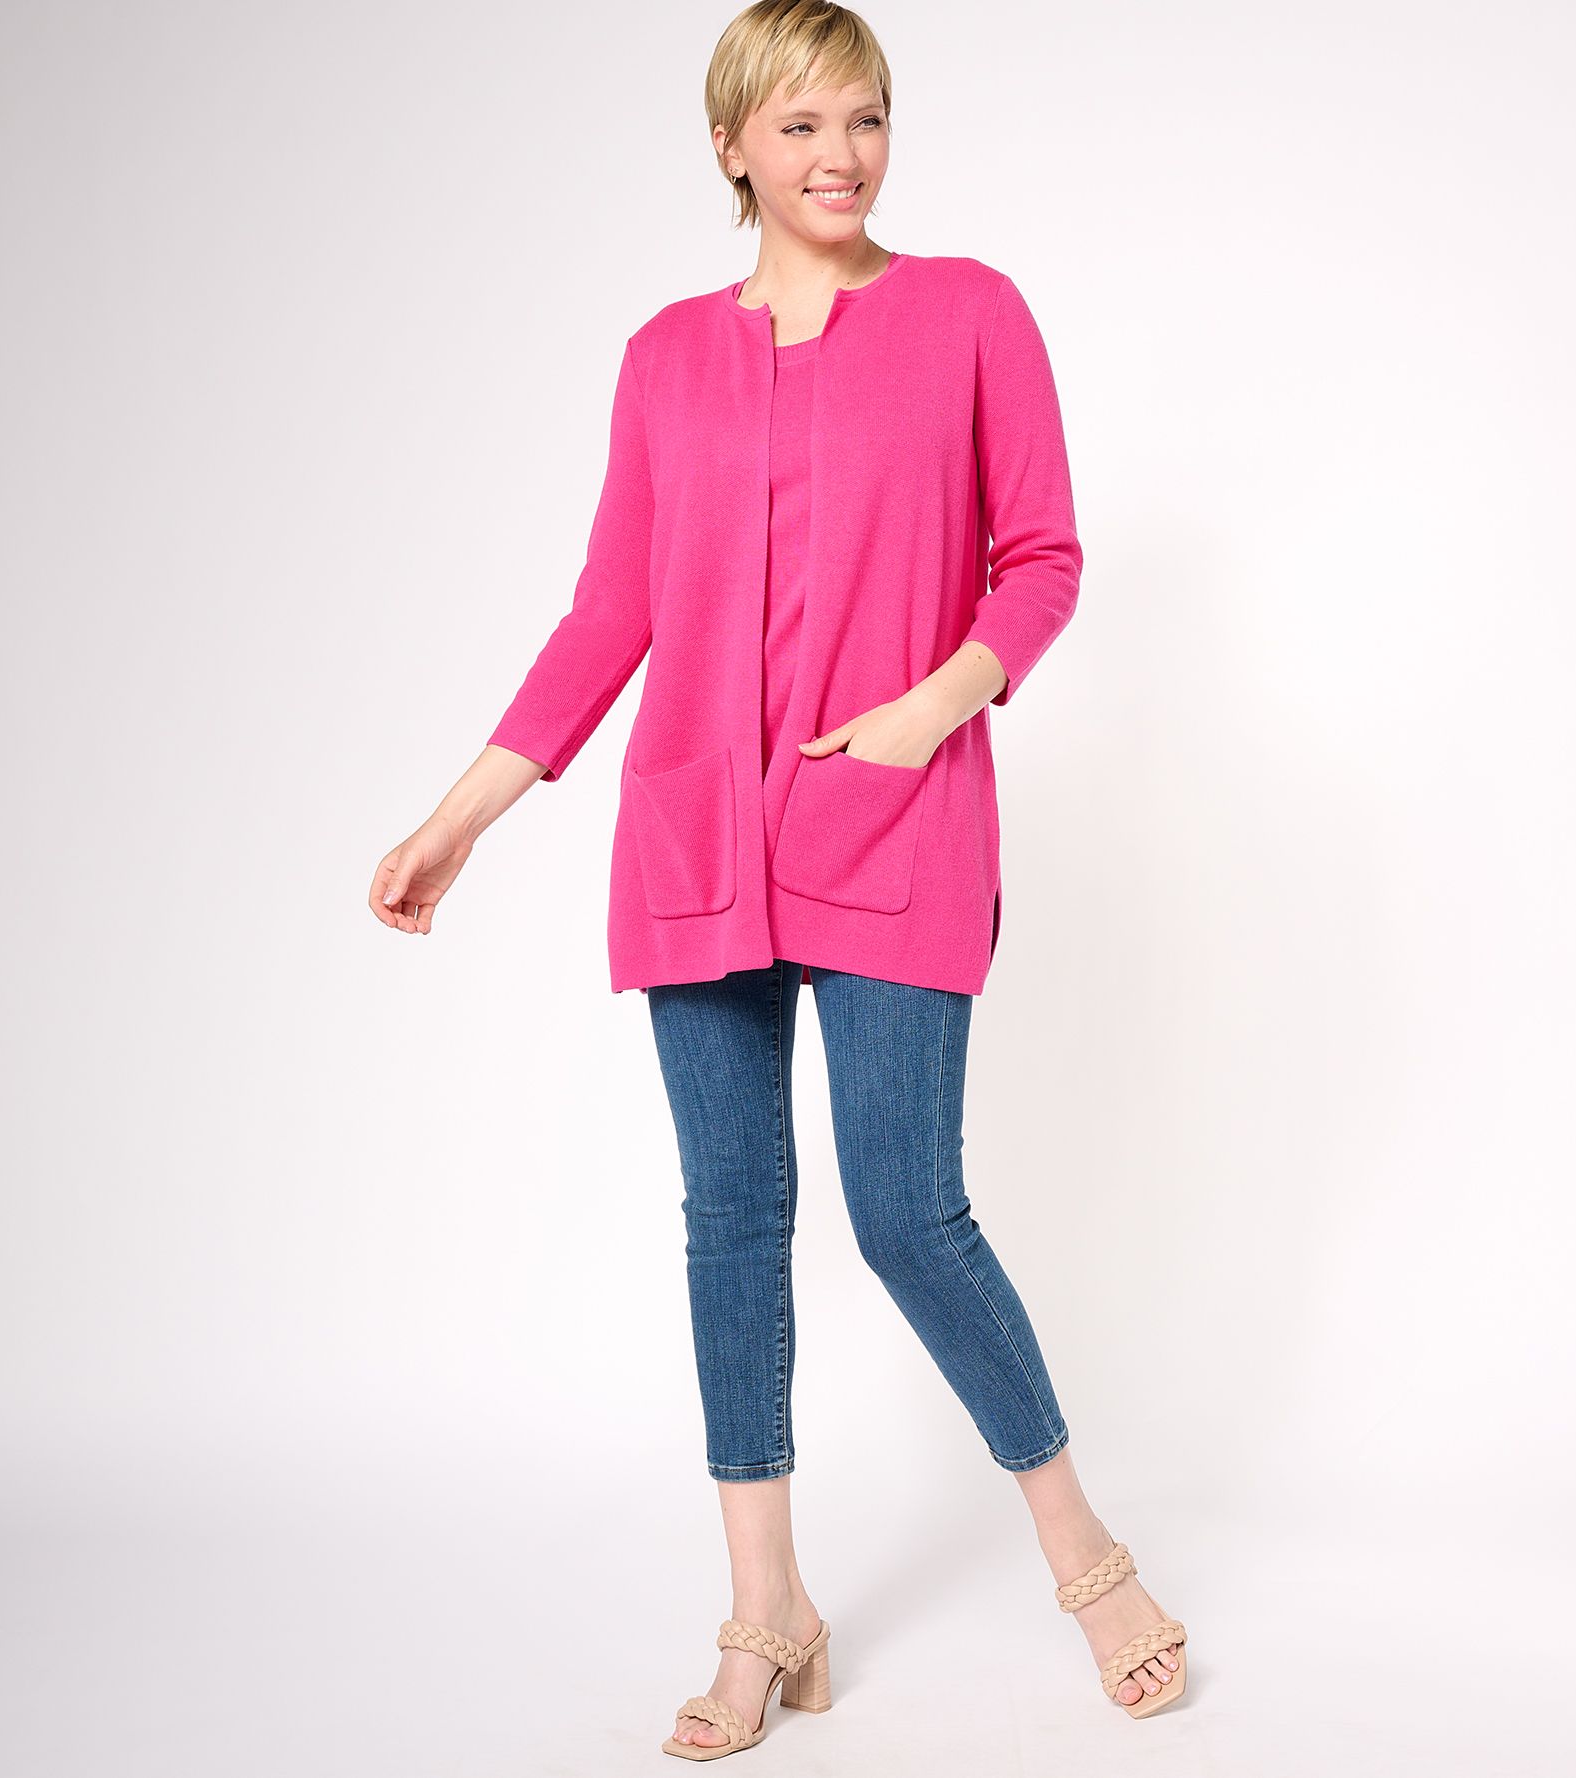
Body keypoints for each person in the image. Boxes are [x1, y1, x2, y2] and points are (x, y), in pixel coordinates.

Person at [368, 0, 1190, 1757]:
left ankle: (1084, 1551)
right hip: (695, 841)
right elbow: (613, 609)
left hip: (895, 822)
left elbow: (1041, 559)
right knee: (731, 1225)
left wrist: (926, 713)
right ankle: (769, 1608)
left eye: (866, 117)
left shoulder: (969, 313)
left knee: (908, 1212)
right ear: (731, 144)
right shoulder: (666, 356)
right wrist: (464, 813)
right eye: (803, 123)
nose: (842, 154)